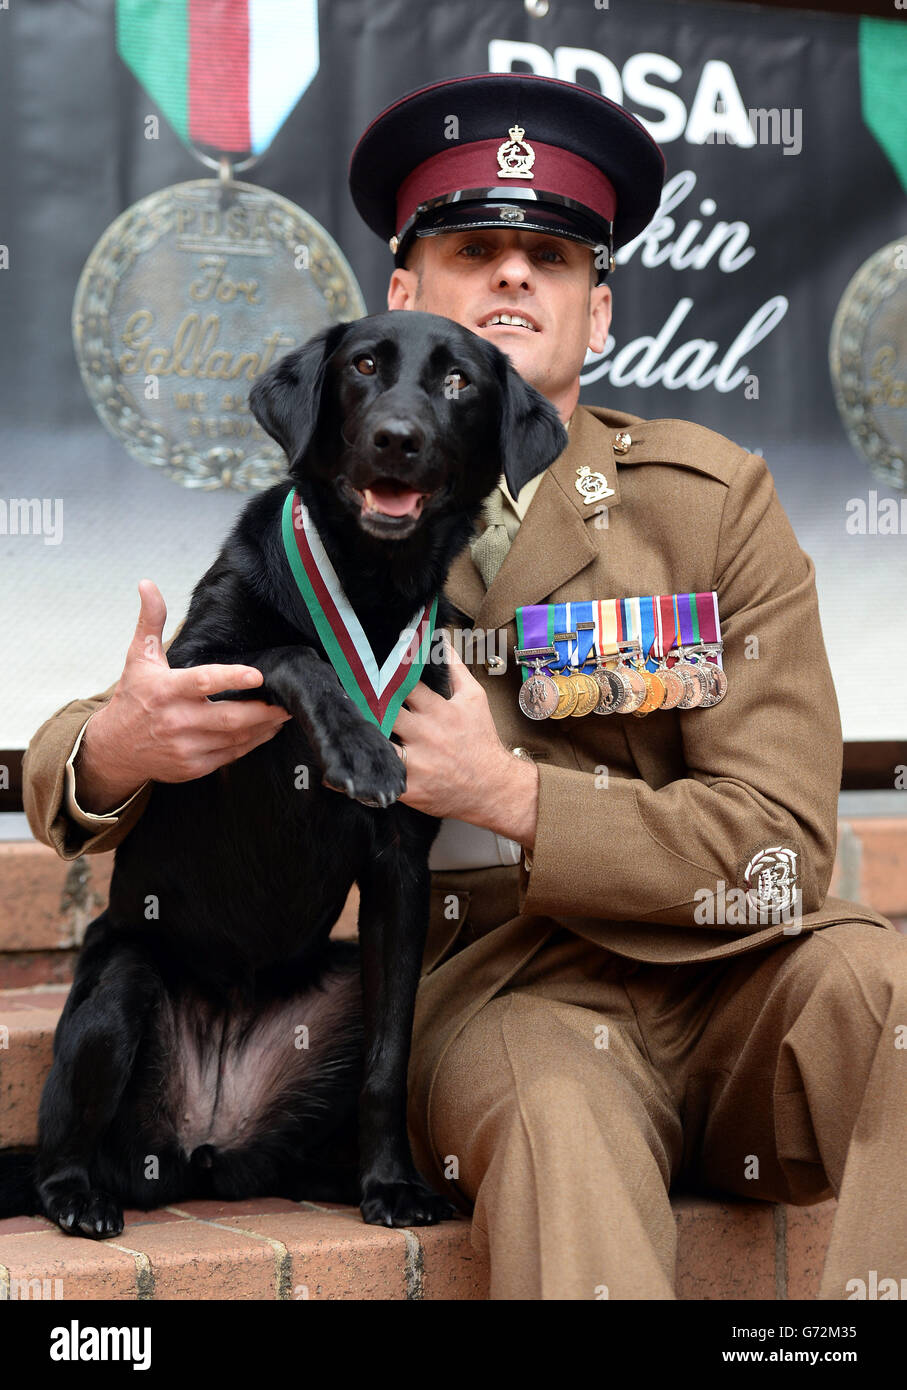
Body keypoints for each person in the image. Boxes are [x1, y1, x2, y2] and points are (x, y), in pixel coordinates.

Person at [23, 73, 905, 1301]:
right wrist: (107, 747)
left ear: (598, 312)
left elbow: (784, 851)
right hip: (509, 990)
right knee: (557, 1107)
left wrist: (516, 795)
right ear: (399, 292)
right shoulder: (335, 508)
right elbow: (169, 691)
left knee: (887, 990)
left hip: (734, 970)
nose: (508, 278)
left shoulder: (711, 503)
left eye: (546, 256)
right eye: (471, 247)